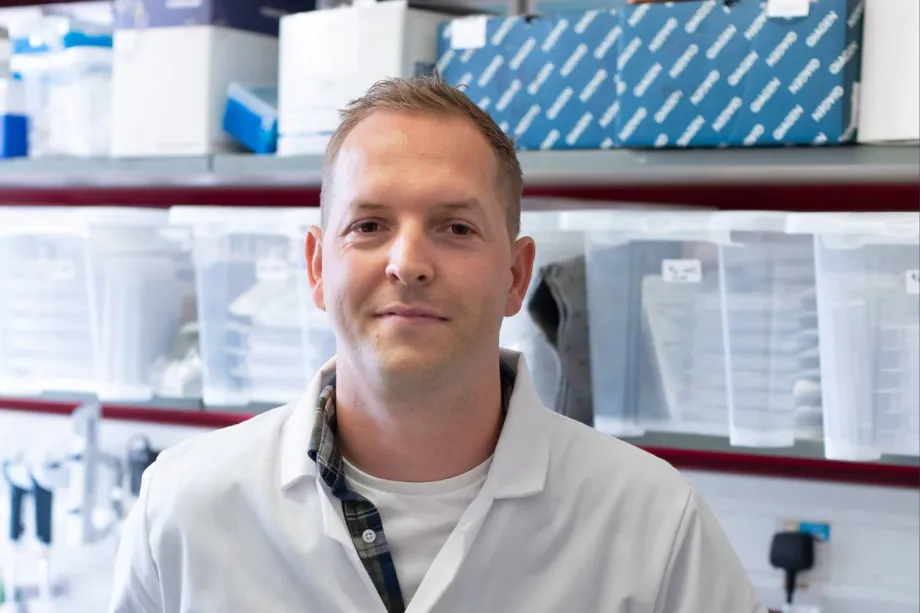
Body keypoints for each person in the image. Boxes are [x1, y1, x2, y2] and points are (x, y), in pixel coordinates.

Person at [109, 74, 768, 613]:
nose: (408, 263)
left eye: (455, 228)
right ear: (316, 267)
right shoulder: (184, 506)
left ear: (516, 276)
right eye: (369, 225)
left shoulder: (655, 522)